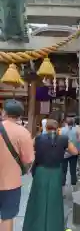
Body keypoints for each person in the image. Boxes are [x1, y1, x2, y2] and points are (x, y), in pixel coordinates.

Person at [23, 119, 78, 231]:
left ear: (46, 128)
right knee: (54, 199)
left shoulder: (38, 138)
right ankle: (54, 226)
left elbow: (28, 150)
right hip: (56, 171)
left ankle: (35, 226)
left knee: (38, 198)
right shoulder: (64, 139)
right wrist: (62, 151)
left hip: (41, 171)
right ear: (57, 129)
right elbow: (75, 152)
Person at [0, 99, 34, 231]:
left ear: (4, 112)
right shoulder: (23, 133)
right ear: (20, 116)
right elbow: (28, 159)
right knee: (7, 216)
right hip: (11, 183)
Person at [61, 117, 80, 193]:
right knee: (73, 171)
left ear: (65, 123)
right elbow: (79, 141)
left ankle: (63, 191)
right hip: (74, 153)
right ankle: (74, 189)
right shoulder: (76, 130)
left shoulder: (61, 130)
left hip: (64, 154)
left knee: (63, 171)